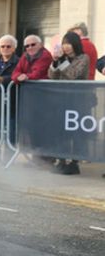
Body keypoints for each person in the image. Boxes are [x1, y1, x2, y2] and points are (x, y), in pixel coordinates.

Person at [48, 31, 89, 175]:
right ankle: (61, 160)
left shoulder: (83, 58)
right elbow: (51, 76)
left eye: (69, 44)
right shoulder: (62, 59)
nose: (66, 47)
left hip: (77, 100)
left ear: (75, 44)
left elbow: (73, 75)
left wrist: (62, 62)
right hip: (61, 99)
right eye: (64, 44)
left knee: (75, 132)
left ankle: (74, 163)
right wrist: (55, 61)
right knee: (60, 131)